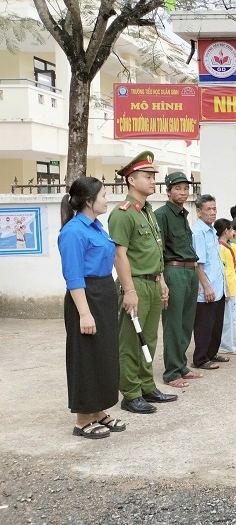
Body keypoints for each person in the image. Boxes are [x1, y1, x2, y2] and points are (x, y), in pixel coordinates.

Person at [108, 152, 177, 414]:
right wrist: (129, 291)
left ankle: (148, 386)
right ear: (131, 180)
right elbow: (119, 254)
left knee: (148, 337)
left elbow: (153, 251)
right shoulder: (123, 214)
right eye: (147, 177)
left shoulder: (147, 211)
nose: (153, 181)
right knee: (130, 340)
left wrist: (160, 280)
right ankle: (130, 393)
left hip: (152, 282)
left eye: (153, 177)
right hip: (134, 284)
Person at [58, 177, 125, 439]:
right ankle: (82, 420)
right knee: (85, 357)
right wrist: (84, 313)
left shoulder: (97, 228)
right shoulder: (73, 232)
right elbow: (73, 276)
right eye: (104, 195)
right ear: (89, 200)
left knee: (104, 354)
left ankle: (99, 411)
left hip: (104, 293)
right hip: (85, 297)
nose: (107, 200)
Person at [154, 172, 202, 389]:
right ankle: (171, 372)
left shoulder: (183, 214)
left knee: (186, 322)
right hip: (174, 272)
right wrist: (162, 280)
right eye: (178, 188)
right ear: (168, 191)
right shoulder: (162, 215)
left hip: (190, 271)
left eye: (185, 188)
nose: (183, 192)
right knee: (173, 323)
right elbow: (158, 250)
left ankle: (181, 365)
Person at [192, 194, 227, 370]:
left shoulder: (212, 231)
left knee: (216, 324)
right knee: (204, 325)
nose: (213, 213)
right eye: (208, 209)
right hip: (207, 288)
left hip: (218, 286)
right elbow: (197, 263)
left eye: (214, 209)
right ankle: (200, 358)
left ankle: (211, 353)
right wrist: (206, 286)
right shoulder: (198, 233)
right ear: (199, 212)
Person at [216, 218, 236, 356]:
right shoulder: (221, 247)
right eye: (231, 230)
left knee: (233, 317)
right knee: (228, 318)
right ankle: (227, 345)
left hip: (232, 287)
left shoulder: (227, 246)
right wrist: (225, 288)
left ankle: (231, 344)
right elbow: (223, 270)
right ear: (226, 231)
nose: (233, 232)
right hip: (228, 288)